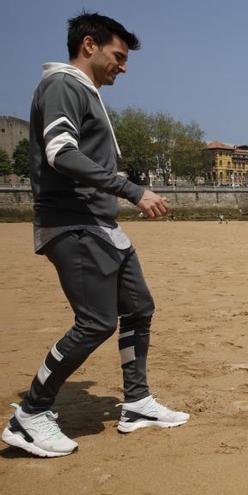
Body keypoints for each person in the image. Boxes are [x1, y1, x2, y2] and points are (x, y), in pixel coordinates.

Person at [1, 12, 189, 458]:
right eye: (118, 56)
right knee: (96, 322)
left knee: (139, 307)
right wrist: (131, 189)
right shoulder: (63, 85)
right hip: (73, 223)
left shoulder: (84, 92)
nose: (123, 66)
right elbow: (60, 153)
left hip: (100, 225)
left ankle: (138, 403)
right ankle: (30, 414)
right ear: (90, 45)